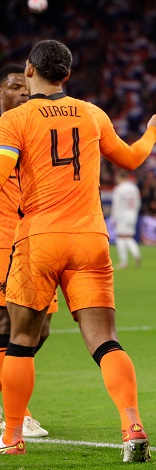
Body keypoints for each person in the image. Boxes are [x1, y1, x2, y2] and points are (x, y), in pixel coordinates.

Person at [0, 40, 156, 459]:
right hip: (91, 239)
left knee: (21, 340)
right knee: (105, 341)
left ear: (30, 70)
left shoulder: (15, 119)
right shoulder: (92, 113)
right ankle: (131, 425)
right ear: (66, 74)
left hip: (40, 238)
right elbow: (131, 159)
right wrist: (153, 131)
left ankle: (12, 436)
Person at [0, 63, 52, 439]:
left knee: (40, 328)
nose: (22, 91)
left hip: (34, 241)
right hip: (3, 240)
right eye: (14, 86)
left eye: (25, 86)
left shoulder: (33, 129)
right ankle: (17, 412)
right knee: (8, 327)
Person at [110, 172, 142, 269]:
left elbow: (116, 205)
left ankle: (123, 262)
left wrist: (113, 218)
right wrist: (135, 213)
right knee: (128, 236)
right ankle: (136, 254)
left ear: (120, 178)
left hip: (122, 215)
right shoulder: (134, 188)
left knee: (120, 237)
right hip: (132, 214)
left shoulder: (119, 189)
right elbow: (138, 202)